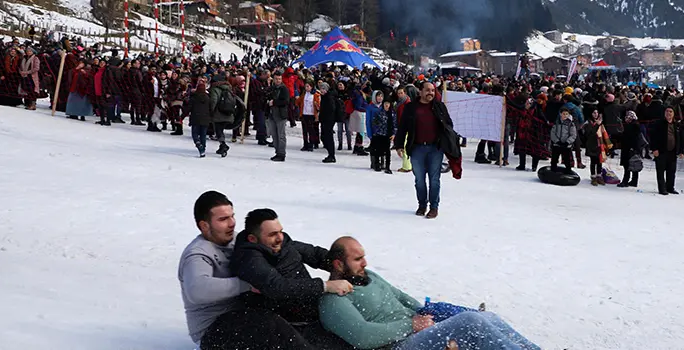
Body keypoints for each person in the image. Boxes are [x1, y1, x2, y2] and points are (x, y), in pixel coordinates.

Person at [318, 237, 540, 350]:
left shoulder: (370, 276)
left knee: (485, 318)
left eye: (363, 257)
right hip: (396, 346)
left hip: (417, 333)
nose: (365, 262)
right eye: (357, 259)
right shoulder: (333, 300)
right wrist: (411, 325)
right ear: (338, 264)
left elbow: (401, 296)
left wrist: (428, 314)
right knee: (470, 321)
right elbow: (363, 337)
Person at [178, 191, 313, 350]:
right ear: (204, 225)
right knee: (270, 324)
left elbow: (285, 248)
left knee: (299, 320)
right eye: (223, 219)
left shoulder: (239, 240)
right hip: (214, 330)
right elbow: (197, 290)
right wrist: (245, 285)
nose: (232, 223)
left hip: (250, 314)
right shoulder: (197, 254)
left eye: (232, 216)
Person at [229, 208, 355, 349]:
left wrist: (345, 265)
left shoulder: (283, 243)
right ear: (253, 239)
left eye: (280, 231)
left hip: (314, 312)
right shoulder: (249, 259)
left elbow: (315, 254)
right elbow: (278, 287)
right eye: (272, 234)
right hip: (289, 326)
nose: (279, 238)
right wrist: (325, 286)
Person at [394, 81, 455, 219]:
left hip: (435, 148)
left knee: (434, 179)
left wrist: (448, 142)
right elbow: (402, 127)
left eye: (433, 91)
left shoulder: (439, 107)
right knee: (419, 180)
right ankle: (422, 205)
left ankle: (434, 207)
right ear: (420, 91)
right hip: (417, 148)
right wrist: (399, 144)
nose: (430, 93)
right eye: (427, 90)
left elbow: (449, 125)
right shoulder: (411, 108)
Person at [650, 107, 684, 195]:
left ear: (673, 113)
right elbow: (653, 137)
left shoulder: (677, 125)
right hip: (661, 151)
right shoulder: (658, 123)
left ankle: (670, 187)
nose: (668, 113)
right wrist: (654, 149)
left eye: (670, 111)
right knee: (661, 171)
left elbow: (681, 139)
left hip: (673, 152)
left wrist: (681, 151)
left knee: (671, 171)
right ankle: (662, 189)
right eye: (667, 111)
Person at [209, 73, 237, 158]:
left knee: (218, 131)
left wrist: (211, 111)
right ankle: (222, 146)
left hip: (219, 113)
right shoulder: (229, 88)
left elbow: (213, 100)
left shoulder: (215, 89)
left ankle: (224, 146)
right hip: (228, 113)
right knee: (220, 130)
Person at [268, 72, 290, 162]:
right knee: (274, 134)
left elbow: (286, 101)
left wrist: (274, 102)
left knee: (281, 135)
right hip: (272, 113)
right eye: (276, 79)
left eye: (279, 79)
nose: (278, 81)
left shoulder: (284, 89)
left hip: (281, 114)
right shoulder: (272, 88)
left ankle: (281, 153)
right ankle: (277, 152)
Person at [187, 78, 212, 158]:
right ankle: (203, 149)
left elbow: (188, 108)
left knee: (195, 133)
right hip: (205, 119)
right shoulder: (208, 98)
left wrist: (183, 115)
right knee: (203, 134)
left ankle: (198, 144)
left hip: (195, 118)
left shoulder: (194, 98)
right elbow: (211, 108)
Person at [618, 110, 642, 188]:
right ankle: (634, 181)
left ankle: (625, 181)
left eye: (627, 117)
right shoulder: (636, 125)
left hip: (629, 148)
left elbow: (628, 137)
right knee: (634, 164)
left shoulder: (631, 126)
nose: (626, 119)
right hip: (634, 148)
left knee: (627, 165)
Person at [550, 107, 578, 172]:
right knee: (554, 159)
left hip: (566, 145)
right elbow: (553, 133)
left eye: (566, 114)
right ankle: (553, 171)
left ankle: (568, 170)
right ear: (560, 114)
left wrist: (568, 142)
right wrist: (556, 141)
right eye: (563, 114)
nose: (565, 115)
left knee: (567, 160)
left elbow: (573, 135)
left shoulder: (571, 124)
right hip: (557, 144)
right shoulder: (557, 122)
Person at [319, 82, 338, 163]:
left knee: (328, 137)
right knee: (324, 137)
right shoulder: (324, 97)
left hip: (328, 120)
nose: (322, 90)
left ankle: (331, 155)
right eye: (321, 89)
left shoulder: (329, 97)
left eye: (323, 89)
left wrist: (326, 117)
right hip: (325, 120)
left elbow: (331, 109)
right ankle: (330, 153)